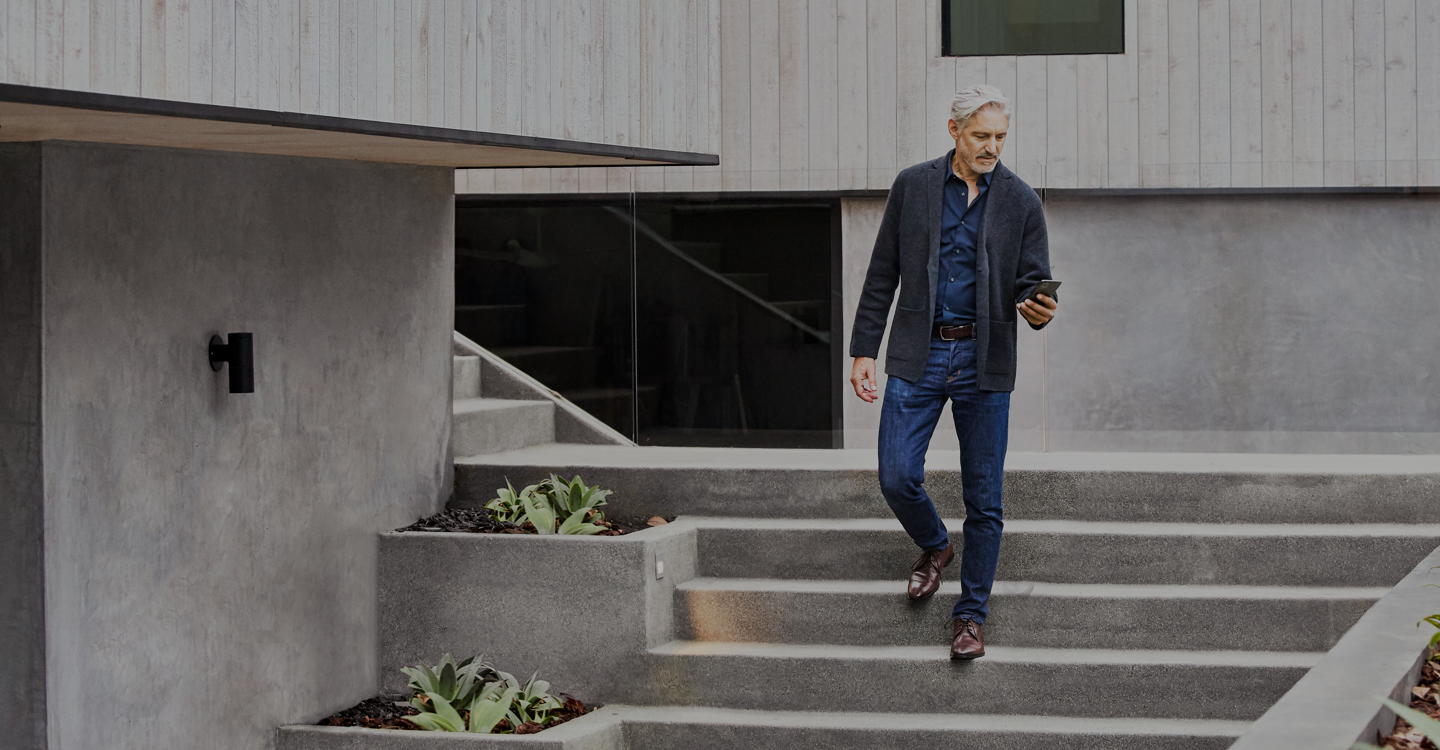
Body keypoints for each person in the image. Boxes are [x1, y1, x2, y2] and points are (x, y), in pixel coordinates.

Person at [848, 85, 1057, 660]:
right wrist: (864, 349)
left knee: (984, 498)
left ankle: (970, 616)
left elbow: (1032, 281)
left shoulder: (1020, 200)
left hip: (984, 360)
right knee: (896, 475)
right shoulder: (913, 186)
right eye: (982, 136)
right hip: (920, 352)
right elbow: (881, 272)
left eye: (1000, 138)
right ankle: (936, 545)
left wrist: (1039, 306)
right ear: (953, 131)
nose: (993, 147)